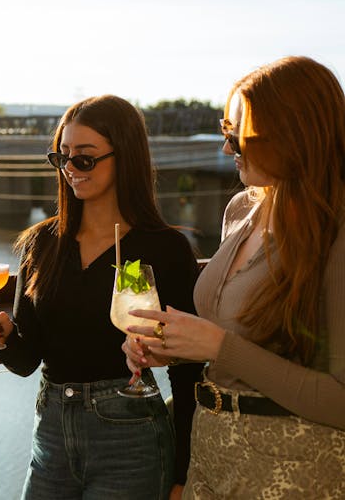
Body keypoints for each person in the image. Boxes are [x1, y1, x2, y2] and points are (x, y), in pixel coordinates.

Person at [124, 55, 345, 498]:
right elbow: (236, 336)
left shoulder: (337, 233)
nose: (227, 149)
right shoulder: (242, 209)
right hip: (210, 453)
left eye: (238, 137)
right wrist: (176, 348)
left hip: (295, 471)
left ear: (294, 136)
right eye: (227, 132)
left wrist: (219, 347)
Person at [0, 95, 204, 499]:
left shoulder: (165, 249)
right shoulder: (42, 243)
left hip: (131, 440)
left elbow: (187, 374)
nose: (70, 170)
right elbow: (28, 361)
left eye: (84, 158)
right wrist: (1, 336)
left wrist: (183, 473)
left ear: (125, 157)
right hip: (51, 433)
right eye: (62, 157)